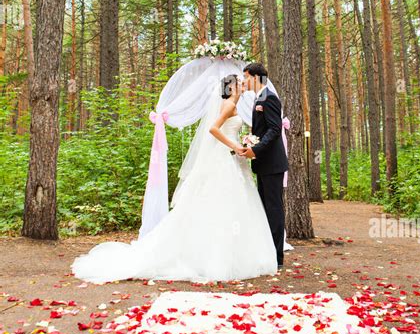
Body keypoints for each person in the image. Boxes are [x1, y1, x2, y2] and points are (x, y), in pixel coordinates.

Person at [71, 74, 278, 283]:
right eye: (240, 83)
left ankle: (232, 254)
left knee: (232, 204)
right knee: (221, 202)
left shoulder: (233, 104)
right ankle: (216, 258)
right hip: (225, 156)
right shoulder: (228, 105)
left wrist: (245, 141)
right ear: (231, 88)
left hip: (232, 158)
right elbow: (213, 129)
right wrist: (234, 145)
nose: (244, 86)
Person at [241, 63, 288, 269]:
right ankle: (268, 252)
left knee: (274, 209)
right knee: (265, 209)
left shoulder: (269, 98)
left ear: (255, 77)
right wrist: (249, 141)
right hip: (263, 163)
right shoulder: (257, 98)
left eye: (246, 77)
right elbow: (262, 129)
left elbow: (275, 129)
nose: (244, 81)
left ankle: (277, 258)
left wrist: (256, 149)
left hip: (272, 164)